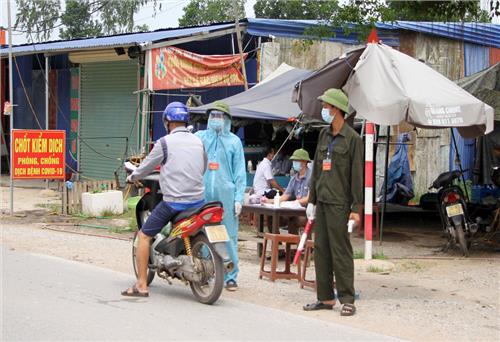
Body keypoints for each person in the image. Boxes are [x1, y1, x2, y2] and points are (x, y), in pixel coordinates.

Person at [121, 102, 207, 297]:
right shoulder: (199, 142)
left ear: (167, 122)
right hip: (198, 202)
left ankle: (142, 284)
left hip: (174, 202)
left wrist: (133, 177)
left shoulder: (164, 143)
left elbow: (146, 167)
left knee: (144, 236)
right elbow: (201, 167)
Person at [303, 88, 363, 316]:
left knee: (341, 251)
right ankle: (325, 298)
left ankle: (348, 299)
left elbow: (357, 176)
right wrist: (312, 200)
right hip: (323, 202)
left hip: (340, 204)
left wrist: (356, 209)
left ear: (336, 109)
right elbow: (317, 169)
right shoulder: (323, 136)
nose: (324, 110)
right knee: (321, 250)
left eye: (326, 106)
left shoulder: (353, 139)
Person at [195, 101, 246, 291]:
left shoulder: (234, 142)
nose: (216, 119)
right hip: (203, 195)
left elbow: (240, 172)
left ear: (227, 120)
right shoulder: (200, 138)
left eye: (220, 116)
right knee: (203, 233)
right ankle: (205, 272)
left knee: (228, 237)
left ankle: (230, 276)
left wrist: (239, 198)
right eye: (213, 115)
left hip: (226, 198)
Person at [262, 148, 312, 234]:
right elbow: (285, 196)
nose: (294, 163)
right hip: (293, 211)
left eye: (296, 161)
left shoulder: (311, 177)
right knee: (272, 219)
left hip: (307, 213)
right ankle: (278, 245)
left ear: (304, 162)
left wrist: (295, 202)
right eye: (293, 161)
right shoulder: (294, 178)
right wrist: (271, 201)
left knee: (293, 220)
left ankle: (294, 245)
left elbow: (308, 199)